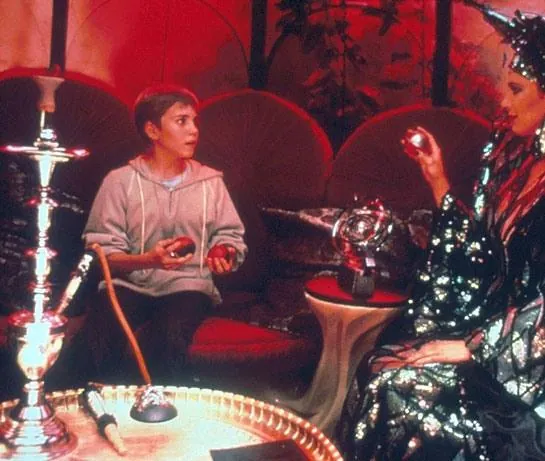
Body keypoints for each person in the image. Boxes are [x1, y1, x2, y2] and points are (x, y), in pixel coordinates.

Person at [339, 9, 545, 461]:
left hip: (524, 368)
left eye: (515, 89)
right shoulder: (516, 158)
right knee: (380, 366)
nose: (503, 102)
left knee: (404, 396)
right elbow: (483, 254)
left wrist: (472, 347)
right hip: (487, 332)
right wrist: (437, 179)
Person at [74, 84, 247, 385]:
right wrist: (148, 260)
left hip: (189, 287)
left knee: (168, 336)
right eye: (182, 121)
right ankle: (91, 405)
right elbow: (101, 254)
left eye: (194, 121)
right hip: (128, 285)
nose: (194, 130)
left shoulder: (211, 183)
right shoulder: (119, 182)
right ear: (153, 130)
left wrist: (225, 253)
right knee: (99, 334)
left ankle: (159, 411)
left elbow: (230, 237)